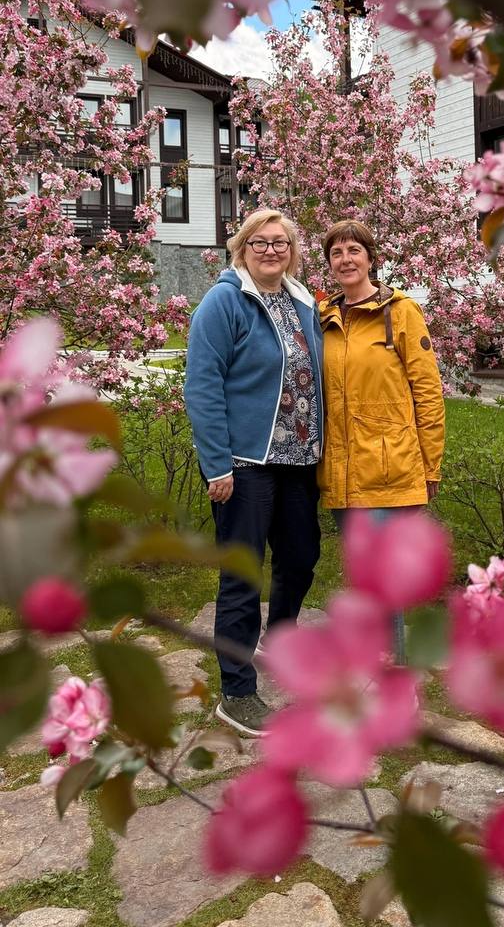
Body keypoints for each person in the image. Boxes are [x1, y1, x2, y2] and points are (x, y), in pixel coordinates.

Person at [184, 209, 323, 736]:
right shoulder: (226, 301)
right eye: (260, 242)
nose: (271, 250)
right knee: (243, 575)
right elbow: (202, 384)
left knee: (302, 558)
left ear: (292, 250)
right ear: (242, 248)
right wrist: (216, 463)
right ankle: (236, 691)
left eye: (281, 242)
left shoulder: (301, 300)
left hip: (298, 461)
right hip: (245, 465)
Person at [318, 219, 445, 661]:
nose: (346, 259)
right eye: (336, 253)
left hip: (388, 469)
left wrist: (431, 466)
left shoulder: (401, 312)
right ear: (329, 264)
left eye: (354, 250)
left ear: (371, 258)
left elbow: (428, 393)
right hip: (340, 471)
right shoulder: (325, 318)